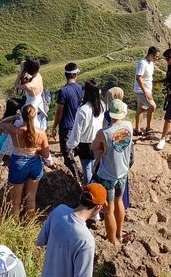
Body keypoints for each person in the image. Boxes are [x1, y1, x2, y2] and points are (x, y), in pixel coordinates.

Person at [92, 99, 134, 244]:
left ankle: (112, 240)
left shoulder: (104, 132)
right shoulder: (128, 126)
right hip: (123, 172)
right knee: (119, 201)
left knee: (109, 209)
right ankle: (119, 233)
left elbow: (94, 147)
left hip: (107, 175)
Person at [3, 104, 52, 216]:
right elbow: (46, 154)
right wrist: (37, 149)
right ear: (34, 116)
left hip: (18, 163)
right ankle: (29, 226)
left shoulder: (15, 131)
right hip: (35, 163)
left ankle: (13, 227)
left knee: (15, 202)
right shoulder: (41, 133)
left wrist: (15, 117)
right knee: (31, 200)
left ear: (23, 116)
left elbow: (3, 123)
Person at [65, 81, 105, 183]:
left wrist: (70, 145)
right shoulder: (102, 105)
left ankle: (89, 191)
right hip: (98, 141)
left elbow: (77, 130)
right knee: (97, 167)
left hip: (85, 144)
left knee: (87, 169)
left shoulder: (83, 109)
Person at [52, 64, 84, 177]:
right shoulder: (81, 88)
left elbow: (59, 112)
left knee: (67, 156)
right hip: (79, 125)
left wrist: (54, 126)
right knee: (80, 153)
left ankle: (77, 178)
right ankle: (83, 175)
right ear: (76, 74)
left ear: (65, 75)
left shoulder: (63, 91)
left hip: (66, 126)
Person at [133, 46, 159, 137]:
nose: (157, 58)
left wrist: (153, 82)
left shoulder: (150, 63)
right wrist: (146, 92)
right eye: (156, 56)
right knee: (152, 106)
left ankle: (137, 129)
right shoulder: (142, 63)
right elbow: (138, 77)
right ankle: (148, 128)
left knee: (141, 109)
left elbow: (147, 76)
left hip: (147, 89)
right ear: (151, 55)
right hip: (141, 90)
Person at [17, 58, 48, 130]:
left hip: (30, 108)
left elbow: (16, 85)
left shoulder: (29, 86)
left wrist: (22, 70)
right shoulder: (38, 76)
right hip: (39, 106)